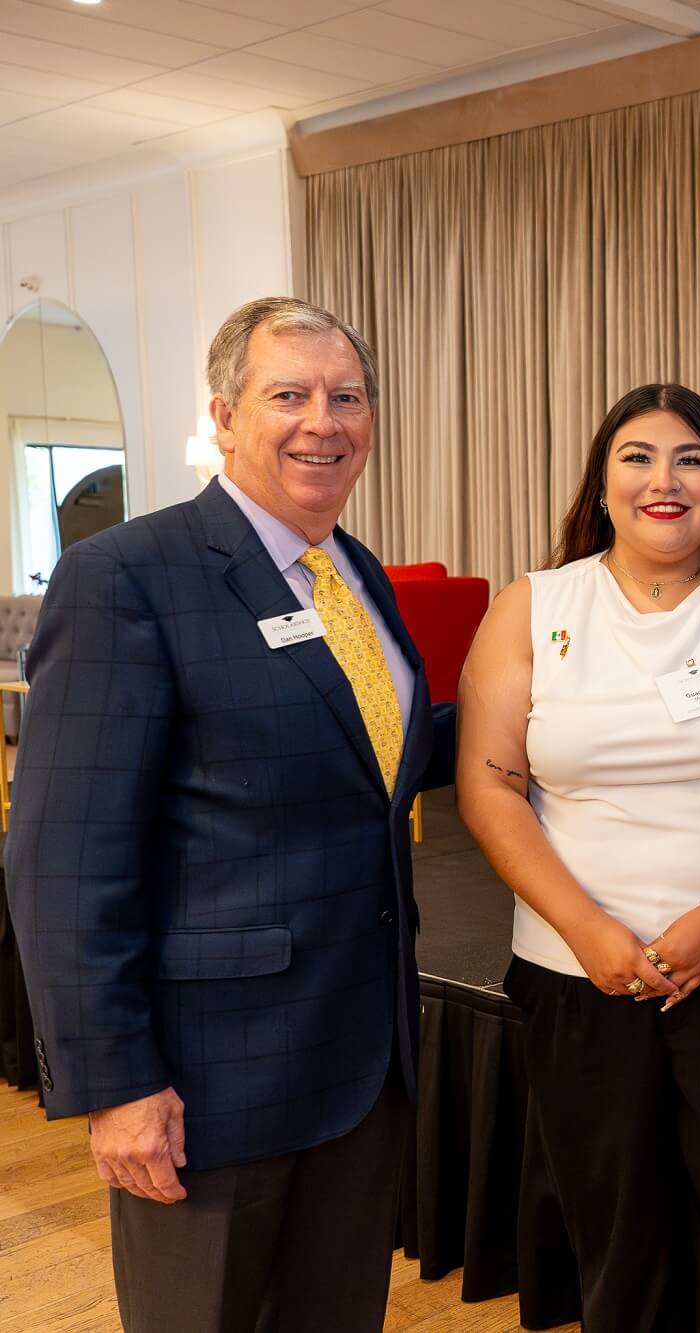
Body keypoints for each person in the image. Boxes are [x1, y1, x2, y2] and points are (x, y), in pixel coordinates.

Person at [4, 297, 449, 1331]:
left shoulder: (356, 573)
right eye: (287, 395)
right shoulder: (127, 576)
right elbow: (64, 859)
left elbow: (372, 759)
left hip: (358, 1061)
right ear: (223, 416)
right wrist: (116, 1083)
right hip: (208, 1083)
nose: (321, 422)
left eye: (346, 397)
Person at [455, 383, 700, 1332]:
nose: (662, 481)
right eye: (636, 457)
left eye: (690, 458)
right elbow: (488, 787)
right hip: (583, 974)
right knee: (617, 1233)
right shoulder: (533, 606)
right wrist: (588, 929)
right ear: (601, 480)